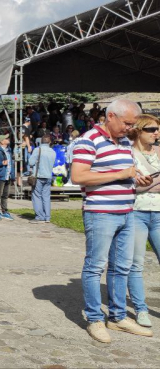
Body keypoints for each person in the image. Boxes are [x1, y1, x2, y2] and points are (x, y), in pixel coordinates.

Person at [71, 99, 153, 343]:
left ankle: (117, 317)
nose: (130, 128)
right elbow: (78, 176)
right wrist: (122, 174)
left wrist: (135, 181)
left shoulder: (124, 142)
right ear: (111, 117)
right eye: (127, 123)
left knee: (121, 267)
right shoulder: (88, 140)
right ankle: (95, 318)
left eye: (133, 124)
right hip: (100, 213)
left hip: (127, 211)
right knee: (95, 267)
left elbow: (120, 175)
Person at [128, 114, 160, 329]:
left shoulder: (159, 152)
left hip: (159, 213)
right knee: (136, 264)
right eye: (150, 129)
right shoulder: (128, 153)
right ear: (138, 130)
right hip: (137, 213)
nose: (156, 133)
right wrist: (151, 185)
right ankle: (140, 308)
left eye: (157, 129)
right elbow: (129, 187)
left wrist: (148, 184)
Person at [28, 136, 56, 224]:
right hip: (48, 176)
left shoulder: (37, 150)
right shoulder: (53, 151)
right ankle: (47, 217)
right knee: (46, 197)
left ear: (40, 141)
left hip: (39, 176)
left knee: (37, 196)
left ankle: (40, 216)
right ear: (49, 142)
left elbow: (30, 162)